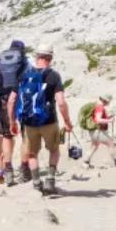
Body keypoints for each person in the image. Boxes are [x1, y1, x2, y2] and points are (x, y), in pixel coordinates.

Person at [15, 43, 73, 195]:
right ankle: (50, 180)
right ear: (50, 58)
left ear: (36, 56)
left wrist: (13, 120)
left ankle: (36, 183)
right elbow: (61, 102)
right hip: (49, 121)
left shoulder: (25, 75)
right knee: (54, 150)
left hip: (29, 123)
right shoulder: (54, 75)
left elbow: (13, 99)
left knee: (32, 153)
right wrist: (67, 121)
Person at [0, 40, 26, 185]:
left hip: (3, 102)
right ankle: (25, 170)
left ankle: (8, 171)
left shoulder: (0, 63)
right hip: (23, 102)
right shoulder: (25, 62)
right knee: (25, 137)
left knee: (7, 136)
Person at [87, 94, 116, 167]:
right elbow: (98, 120)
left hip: (92, 130)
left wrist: (108, 117)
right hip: (98, 131)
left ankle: (85, 161)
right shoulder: (100, 107)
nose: (109, 103)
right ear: (105, 100)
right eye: (109, 101)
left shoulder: (96, 106)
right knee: (110, 143)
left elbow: (96, 118)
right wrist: (109, 120)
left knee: (94, 146)